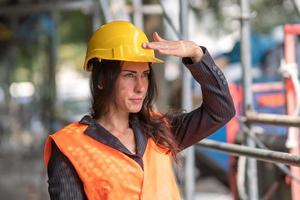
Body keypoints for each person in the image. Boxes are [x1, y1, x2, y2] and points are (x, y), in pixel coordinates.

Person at [44, 20, 235, 200]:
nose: (140, 87)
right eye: (129, 75)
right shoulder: (70, 147)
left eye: (144, 75)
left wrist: (197, 55)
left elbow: (221, 110)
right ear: (102, 80)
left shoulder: (160, 131)